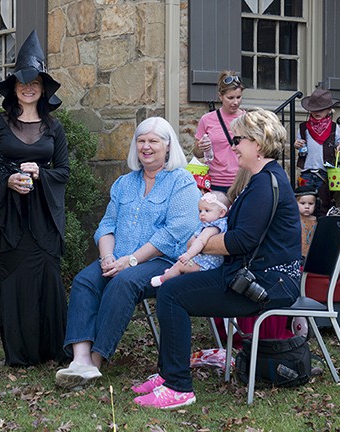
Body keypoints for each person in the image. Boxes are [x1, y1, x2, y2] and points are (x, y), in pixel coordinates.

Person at [133, 108, 301, 409]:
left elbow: (242, 241)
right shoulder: (263, 178)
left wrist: (197, 245)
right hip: (254, 278)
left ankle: (178, 387)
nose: (233, 145)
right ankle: (167, 374)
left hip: (267, 286)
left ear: (257, 144)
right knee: (172, 290)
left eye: (238, 140)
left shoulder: (266, 183)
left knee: (171, 294)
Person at [54, 117, 200, 390]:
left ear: (167, 147)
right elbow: (107, 226)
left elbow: (175, 232)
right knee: (85, 280)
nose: (146, 146)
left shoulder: (182, 181)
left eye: (153, 141)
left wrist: (131, 261)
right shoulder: (124, 183)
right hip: (119, 257)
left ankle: (95, 362)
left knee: (123, 282)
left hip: (163, 261)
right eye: (141, 140)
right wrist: (107, 257)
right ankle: (80, 358)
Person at [0, 30, 69, 366]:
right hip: (9, 217)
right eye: (22, 82)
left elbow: (65, 172)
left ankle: (51, 350)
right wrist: (7, 179)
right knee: (14, 282)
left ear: (43, 89)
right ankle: (19, 354)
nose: (29, 88)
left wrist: (42, 174)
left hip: (44, 216)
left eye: (36, 83)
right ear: (13, 88)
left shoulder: (54, 128)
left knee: (47, 279)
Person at [150, 191, 230, 287]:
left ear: (221, 213)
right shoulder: (218, 224)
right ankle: (172, 272)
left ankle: (162, 279)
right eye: (200, 211)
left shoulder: (212, 228)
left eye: (207, 210)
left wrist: (188, 254)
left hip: (206, 265)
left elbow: (201, 241)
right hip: (205, 261)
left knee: (180, 265)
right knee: (179, 267)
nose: (202, 214)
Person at [294, 88, 340, 216]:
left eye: (321, 110)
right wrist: (296, 144)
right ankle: (306, 225)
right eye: (314, 109)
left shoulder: (334, 127)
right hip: (307, 170)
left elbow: (339, 141)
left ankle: (321, 226)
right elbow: (299, 143)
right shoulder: (303, 127)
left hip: (325, 171)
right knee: (304, 199)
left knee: (324, 200)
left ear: (329, 110)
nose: (317, 112)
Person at [193, 71, 246, 193]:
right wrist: (201, 147)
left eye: (239, 97)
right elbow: (197, 153)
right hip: (215, 181)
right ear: (220, 96)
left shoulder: (247, 120)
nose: (235, 102)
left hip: (241, 181)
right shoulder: (207, 120)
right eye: (230, 98)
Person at [294, 185, 318, 260]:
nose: (307, 206)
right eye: (302, 203)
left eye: (311, 204)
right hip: (297, 256)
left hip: (312, 257)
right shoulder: (293, 220)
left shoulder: (317, 221)